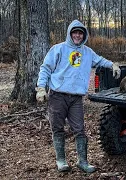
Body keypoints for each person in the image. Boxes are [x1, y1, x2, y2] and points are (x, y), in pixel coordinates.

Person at [35, 20, 121, 173]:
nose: (77, 35)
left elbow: (100, 60)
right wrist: (41, 88)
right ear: (70, 33)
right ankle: (61, 160)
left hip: (76, 98)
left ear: (84, 35)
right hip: (58, 96)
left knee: (79, 129)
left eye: (80, 33)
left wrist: (112, 64)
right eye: (75, 32)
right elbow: (46, 68)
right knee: (57, 128)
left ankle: (83, 161)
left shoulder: (87, 52)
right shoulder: (58, 49)